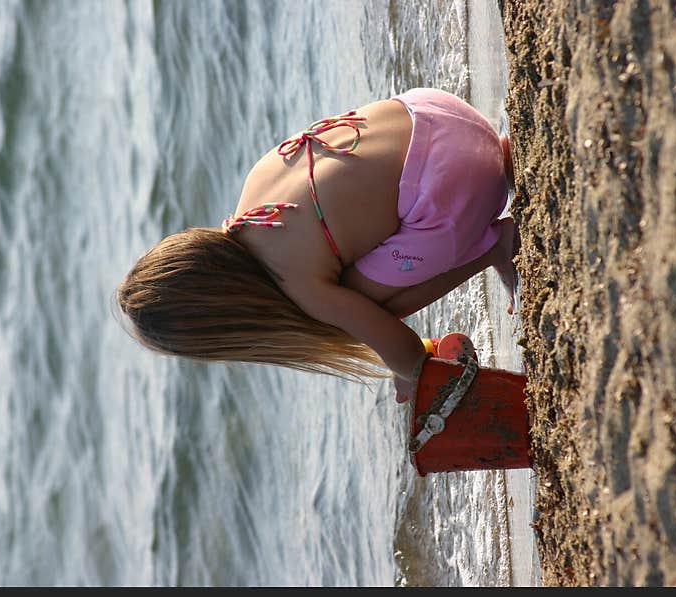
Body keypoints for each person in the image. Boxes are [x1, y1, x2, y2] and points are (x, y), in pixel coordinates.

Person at [115, 88, 518, 404]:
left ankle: (495, 247)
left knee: (358, 308)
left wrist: (410, 372)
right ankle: (502, 158)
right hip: (445, 116)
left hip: (461, 184)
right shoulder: (255, 186)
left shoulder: (297, 281)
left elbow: (402, 346)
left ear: (224, 323)